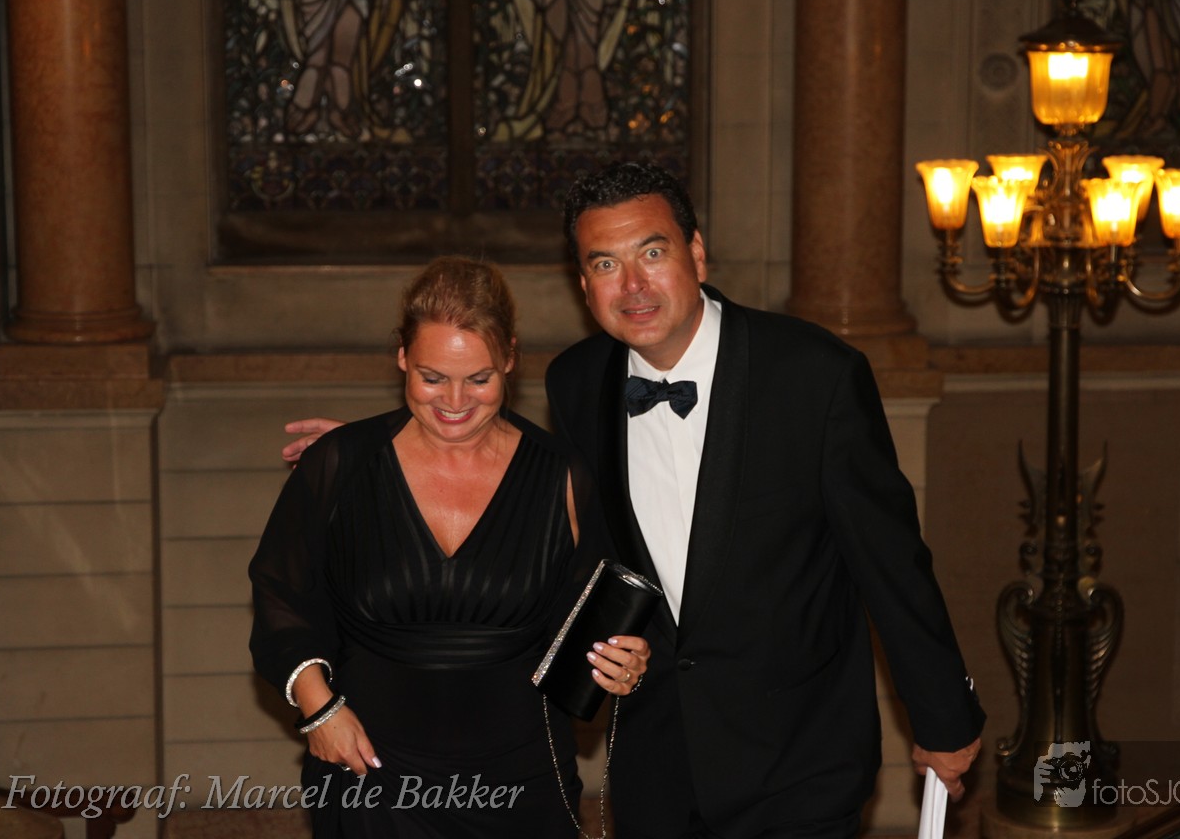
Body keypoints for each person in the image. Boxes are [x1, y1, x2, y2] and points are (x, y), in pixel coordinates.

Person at [284, 164, 985, 838]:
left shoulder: (815, 374)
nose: (633, 285)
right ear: (583, 283)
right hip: (656, 763)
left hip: (796, 761)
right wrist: (390, 449)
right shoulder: (577, 381)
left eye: (652, 252)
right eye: (605, 263)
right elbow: (522, 475)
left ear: (697, 253)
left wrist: (944, 719)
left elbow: (890, 560)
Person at [251, 256, 649, 838]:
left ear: (510, 358)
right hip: (370, 771)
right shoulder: (340, 464)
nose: (455, 401)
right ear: (402, 358)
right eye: (433, 377)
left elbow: (588, 623)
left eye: (479, 378)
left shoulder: (564, 476)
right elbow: (280, 597)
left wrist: (623, 663)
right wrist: (320, 711)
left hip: (524, 781)